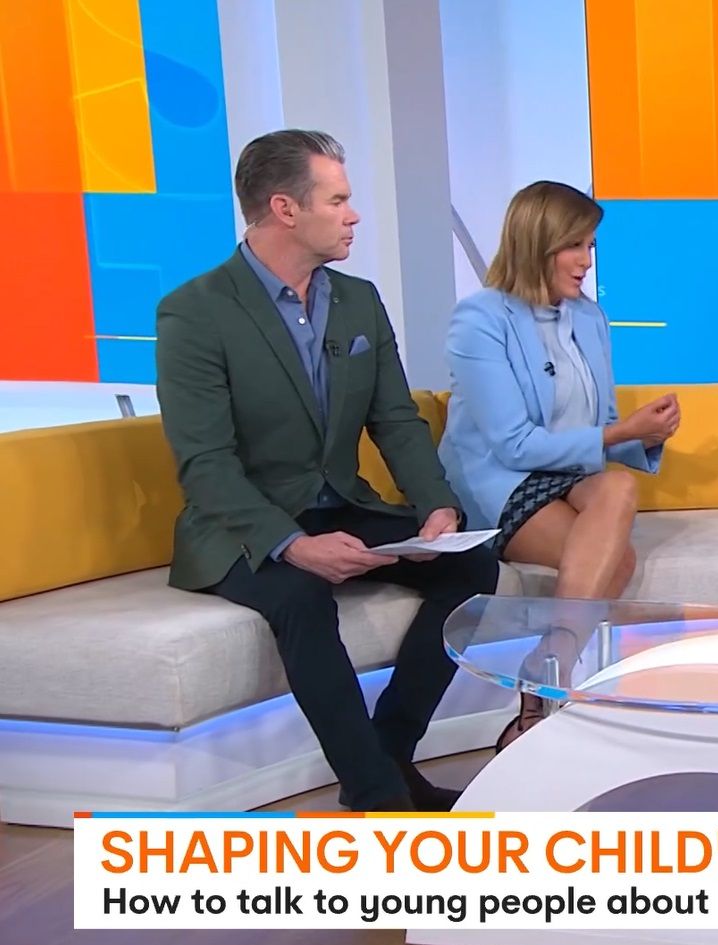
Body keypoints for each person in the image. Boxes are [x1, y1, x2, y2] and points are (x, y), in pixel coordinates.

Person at [155, 129, 499, 812]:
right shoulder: (195, 312)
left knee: (471, 567)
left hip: (340, 502)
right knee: (301, 598)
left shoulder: (356, 299)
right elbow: (205, 464)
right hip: (241, 525)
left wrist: (436, 507)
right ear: (285, 209)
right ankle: (378, 795)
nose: (354, 215)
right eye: (337, 200)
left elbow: (395, 419)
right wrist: (292, 544)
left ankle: (390, 757)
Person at [438, 180, 680, 749]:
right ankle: (549, 675)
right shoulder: (479, 320)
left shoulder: (589, 318)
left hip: (570, 476)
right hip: (502, 480)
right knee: (615, 561)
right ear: (536, 243)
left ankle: (548, 666)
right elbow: (515, 446)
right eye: (574, 245)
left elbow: (601, 424)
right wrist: (622, 432)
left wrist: (644, 435)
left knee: (618, 488)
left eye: (590, 245)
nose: (586, 261)